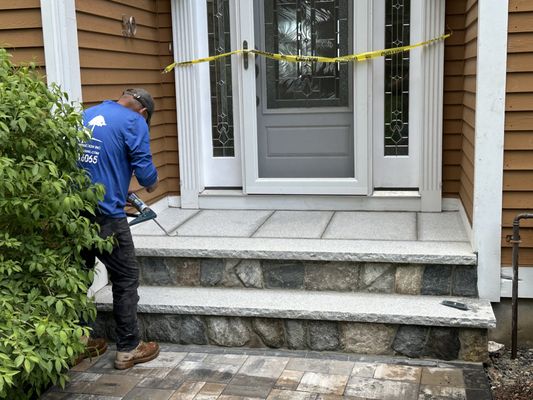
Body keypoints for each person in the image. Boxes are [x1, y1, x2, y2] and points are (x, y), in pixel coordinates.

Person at [79, 88, 160, 369]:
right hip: (106, 216)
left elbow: (93, 162)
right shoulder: (133, 121)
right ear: (143, 112)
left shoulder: (86, 114)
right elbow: (146, 172)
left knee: (78, 275)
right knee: (125, 278)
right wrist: (150, 183)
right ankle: (128, 347)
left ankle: (77, 342)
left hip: (73, 212)